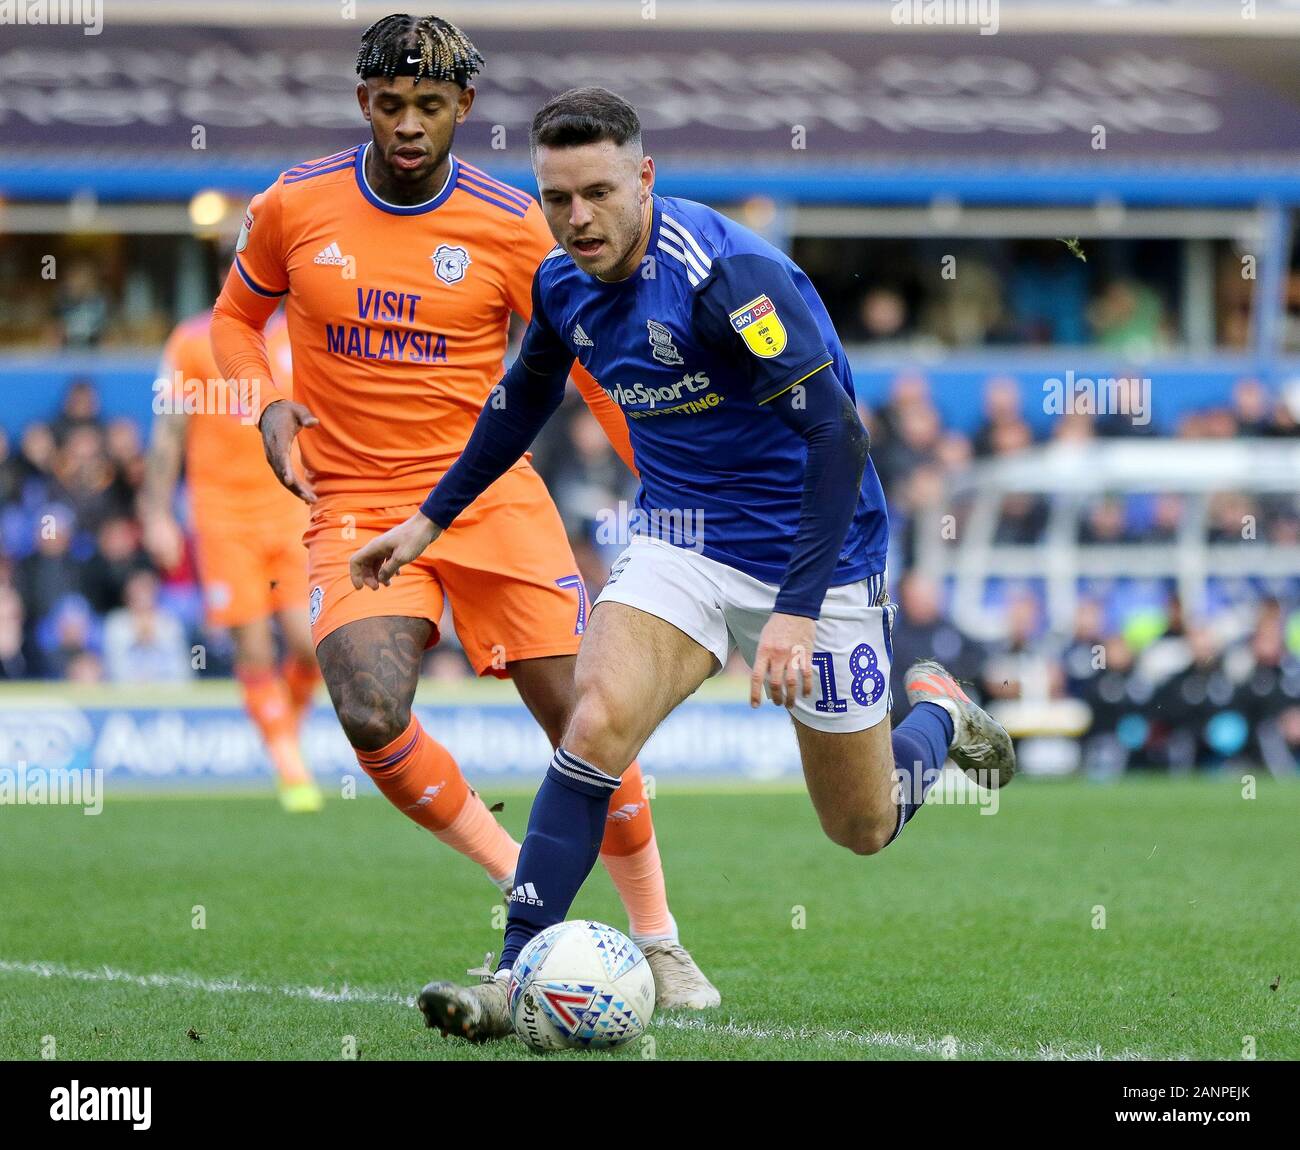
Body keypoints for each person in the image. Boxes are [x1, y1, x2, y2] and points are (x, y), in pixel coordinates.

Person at [350, 86, 1017, 1041]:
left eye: (598, 193)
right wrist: (427, 522)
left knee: (860, 826)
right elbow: (520, 400)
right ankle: (510, 974)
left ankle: (940, 717)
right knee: (595, 720)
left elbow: (836, 438)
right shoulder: (562, 283)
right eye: (556, 198)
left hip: (814, 557)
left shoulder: (725, 277)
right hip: (682, 541)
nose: (577, 219)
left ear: (644, 177)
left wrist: (792, 611)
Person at [210, 14, 715, 1007]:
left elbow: (598, 368)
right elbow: (235, 320)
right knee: (367, 708)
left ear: (463, 111)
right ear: (364, 102)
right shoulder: (293, 204)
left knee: (588, 719)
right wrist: (263, 404)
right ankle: (528, 894)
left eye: (429, 106)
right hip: (356, 504)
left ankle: (658, 939)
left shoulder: (512, 222)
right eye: (390, 104)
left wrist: (665, 482)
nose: (408, 123)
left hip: (491, 498)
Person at [142, 305, 324, 812]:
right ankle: (289, 762)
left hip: (293, 510)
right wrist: (157, 513)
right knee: (255, 647)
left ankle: (279, 729)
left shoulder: (301, 331)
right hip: (223, 519)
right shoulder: (191, 341)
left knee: (310, 646)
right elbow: (168, 433)